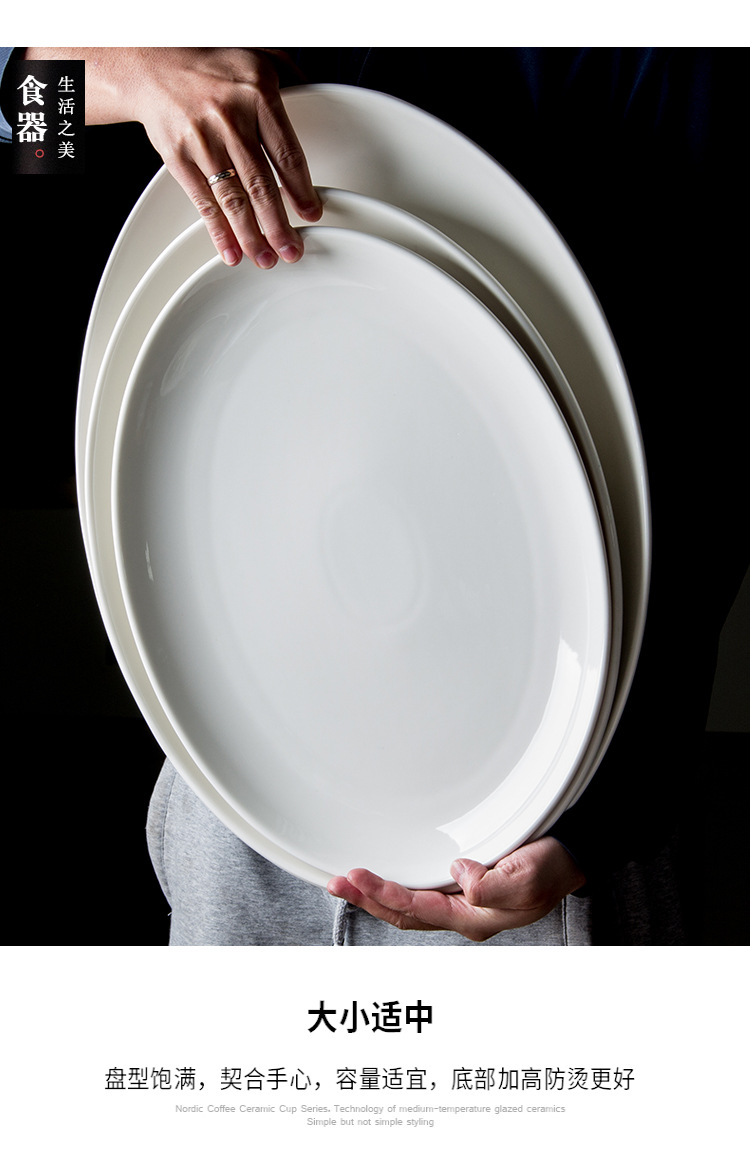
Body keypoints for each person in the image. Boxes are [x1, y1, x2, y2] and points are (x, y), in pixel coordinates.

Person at [4, 47, 746, 945]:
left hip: (538, 804)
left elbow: (712, 429)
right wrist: (128, 74)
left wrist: (607, 818)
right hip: (245, 748)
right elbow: (21, 124)